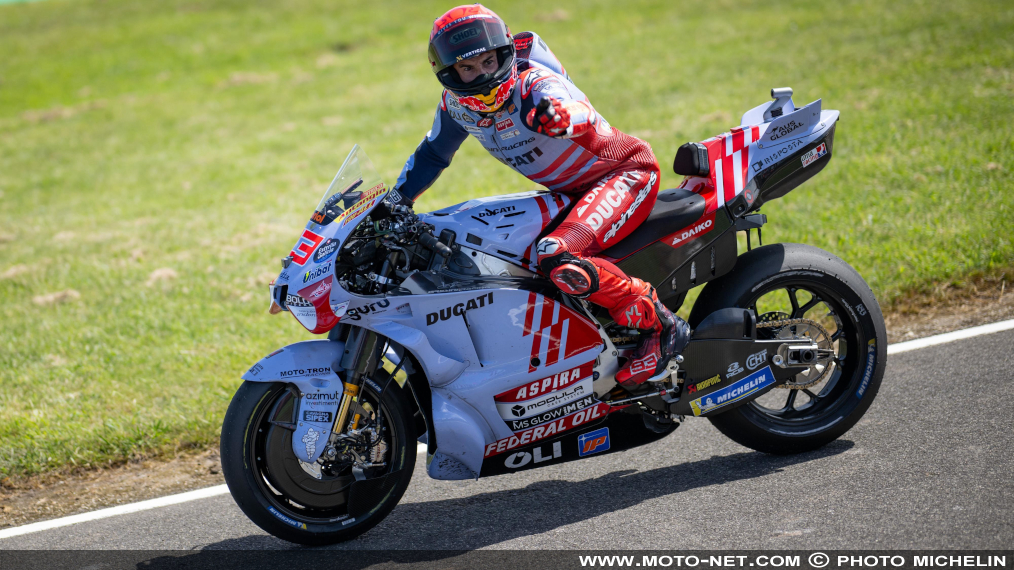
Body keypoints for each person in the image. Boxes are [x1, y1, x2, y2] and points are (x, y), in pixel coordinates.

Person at [391, 4, 690, 388]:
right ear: (448, 73)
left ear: (504, 53)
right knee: (500, 253)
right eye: (467, 68)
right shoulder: (457, 106)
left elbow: (573, 109)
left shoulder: (533, 86)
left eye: (488, 61)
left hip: (624, 173)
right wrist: (395, 204)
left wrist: (560, 117)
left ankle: (660, 324)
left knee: (556, 255)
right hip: (569, 190)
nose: (481, 75)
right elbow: (432, 155)